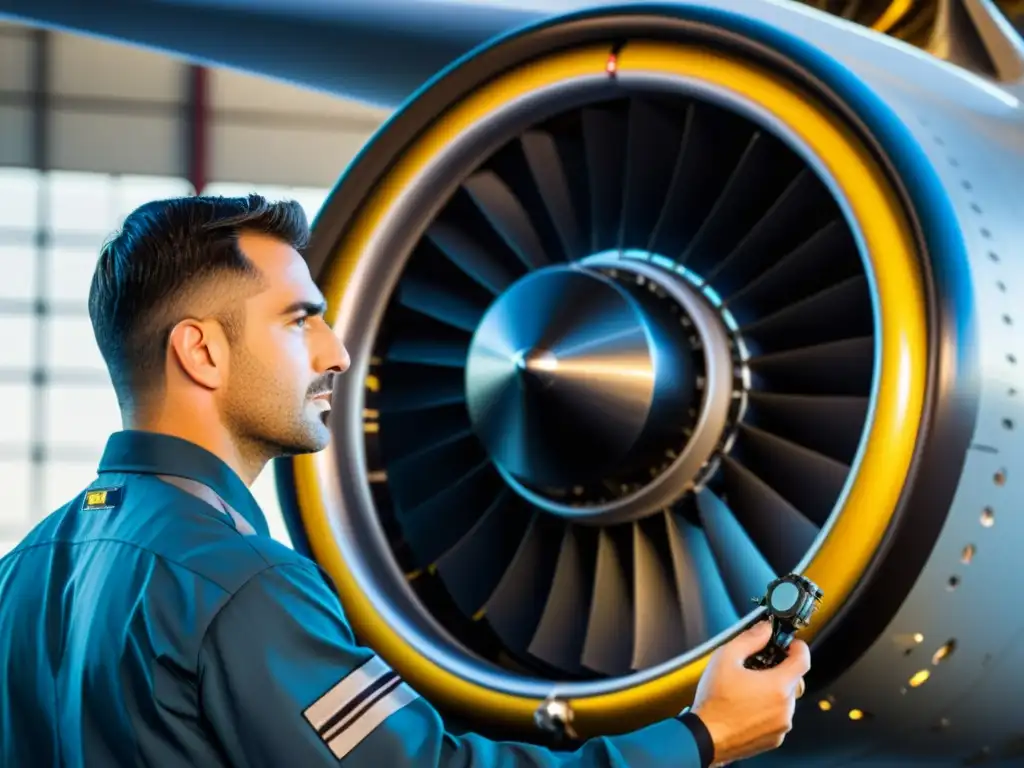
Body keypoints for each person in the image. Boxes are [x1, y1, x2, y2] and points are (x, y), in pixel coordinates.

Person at [0, 194, 810, 768]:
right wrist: (701, 738)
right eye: (298, 319)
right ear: (200, 352)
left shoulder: (22, 574)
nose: (336, 352)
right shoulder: (241, 586)